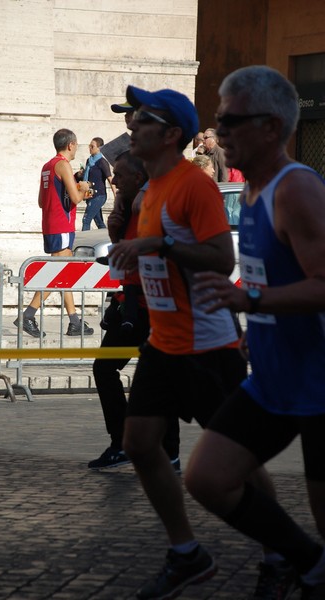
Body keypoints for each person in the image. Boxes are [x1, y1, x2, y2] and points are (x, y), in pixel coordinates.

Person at [108, 85, 278, 600]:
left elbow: (218, 259)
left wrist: (157, 244)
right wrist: (138, 257)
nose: (131, 127)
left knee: (240, 463)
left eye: (141, 120)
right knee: (138, 445)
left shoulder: (194, 186)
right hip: (165, 341)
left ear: (170, 134)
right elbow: (164, 255)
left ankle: (278, 553)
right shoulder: (146, 190)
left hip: (209, 346)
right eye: (130, 118)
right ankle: (186, 553)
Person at [186, 65, 325, 600]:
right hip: (271, 378)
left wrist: (253, 300)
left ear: (271, 127)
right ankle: (307, 560)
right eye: (218, 119)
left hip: (318, 384)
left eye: (230, 120)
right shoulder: (250, 192)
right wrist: (252, 323)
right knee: (206, 479)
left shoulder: (298, 191)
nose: (219, 130)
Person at [89, 151, 180, 471]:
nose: (113, 180)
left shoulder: (149, 205)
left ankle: (164, 451)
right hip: (131, 306)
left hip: (152, 309)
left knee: (160, 380)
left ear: (139, 179)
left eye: (120, 175)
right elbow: (126, 259)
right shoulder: (127, 207)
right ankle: (128, 443)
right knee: (107, 369)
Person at [14, 128, 94, 338]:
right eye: (76, 145)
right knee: (56, 273)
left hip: (50, 224)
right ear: (70, 145)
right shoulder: (63, 164)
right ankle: (28, 315)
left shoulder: (47, 166)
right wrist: (83, 187)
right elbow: (76, 199)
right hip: (63, 225)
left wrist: (72, 189)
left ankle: (75, 321)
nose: (76, 148)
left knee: (62, 272)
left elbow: (42, 201)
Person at [78, 137, 116, 231]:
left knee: (86, 220)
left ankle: (84, 243)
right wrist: (82, 173)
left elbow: (110, 179)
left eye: (92, 146)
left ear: (99, 148)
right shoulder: (89, 161)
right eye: (89, 146)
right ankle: (107, 239)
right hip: (89, 195)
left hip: (99, 195)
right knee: (99, 222)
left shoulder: (102, 162)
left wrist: (116, 194)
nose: (90, 148)